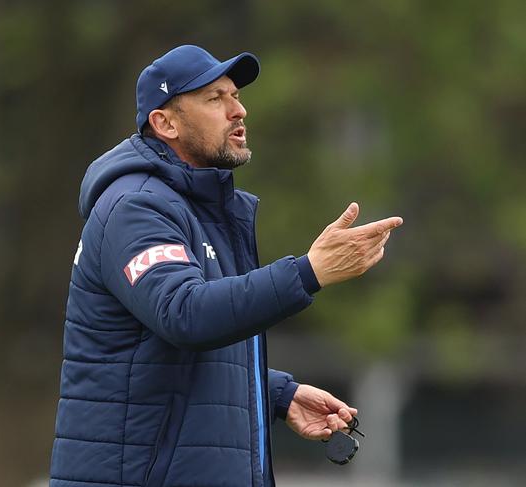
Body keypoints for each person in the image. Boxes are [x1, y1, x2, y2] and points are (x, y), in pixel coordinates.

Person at [49, 45, 403, 487]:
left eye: (234, 95)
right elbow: (186, 314)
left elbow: (164, 354)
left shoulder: (205, 209)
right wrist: (308, 271)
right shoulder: (136, 206)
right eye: (215, 99)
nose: (238, 110)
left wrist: (274, 393)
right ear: (165, 123)